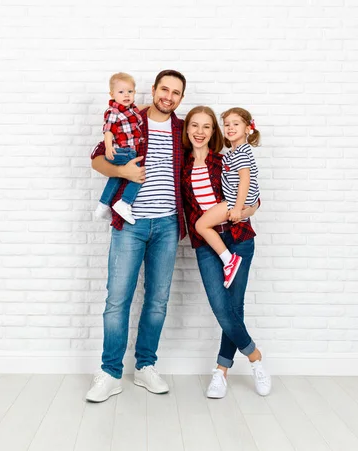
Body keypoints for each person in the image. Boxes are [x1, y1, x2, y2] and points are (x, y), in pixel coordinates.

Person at [86, 69, 187, 403]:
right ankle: (111, 373)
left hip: (168, 225)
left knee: (157, 301)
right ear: (154, 90)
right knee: (117, 300)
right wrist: (122, 171)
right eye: (164, 89)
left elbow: (207, 163)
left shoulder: (182, 129)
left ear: (180, 98)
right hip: (129, 224)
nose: (168, 96)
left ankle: (145, 366)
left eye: (176, 93)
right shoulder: (132, 116)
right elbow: (97, 159)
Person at [181, 105, 271, 398]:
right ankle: (255, 356)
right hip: (208, 245)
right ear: (187, 130)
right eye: (194, 125)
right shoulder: (180, 166)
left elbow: (250, 189)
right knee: (221, 308)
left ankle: (221, 371)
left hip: (239, 237)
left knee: (234, 307)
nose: (199, 132)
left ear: (213, 132)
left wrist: (251, 207)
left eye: (207, 127)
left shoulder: (225, 159)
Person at [194, 107, 261, 289]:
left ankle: (229, 260)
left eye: (236, 124)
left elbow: (245, 181)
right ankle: (229, 260)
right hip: (236, 201)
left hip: (234, 203)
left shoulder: (241, 153)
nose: (230, 128)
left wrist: (238, 208)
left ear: (248, 128)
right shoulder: (232, 153)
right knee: (202, 225)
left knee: (200, 225)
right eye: (227, 124)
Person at [93, 72, 144, 225]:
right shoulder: (114, 111)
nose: (126, 95)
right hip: (122, 151)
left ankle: (103, 205)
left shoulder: (131, 110)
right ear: (112, 94)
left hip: (128, 151)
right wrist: (108, 147)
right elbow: (108, 130)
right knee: (138, 173)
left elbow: (139, 112)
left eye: (130, 91)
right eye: (121, 92)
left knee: (116, 177)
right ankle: (125, 202)